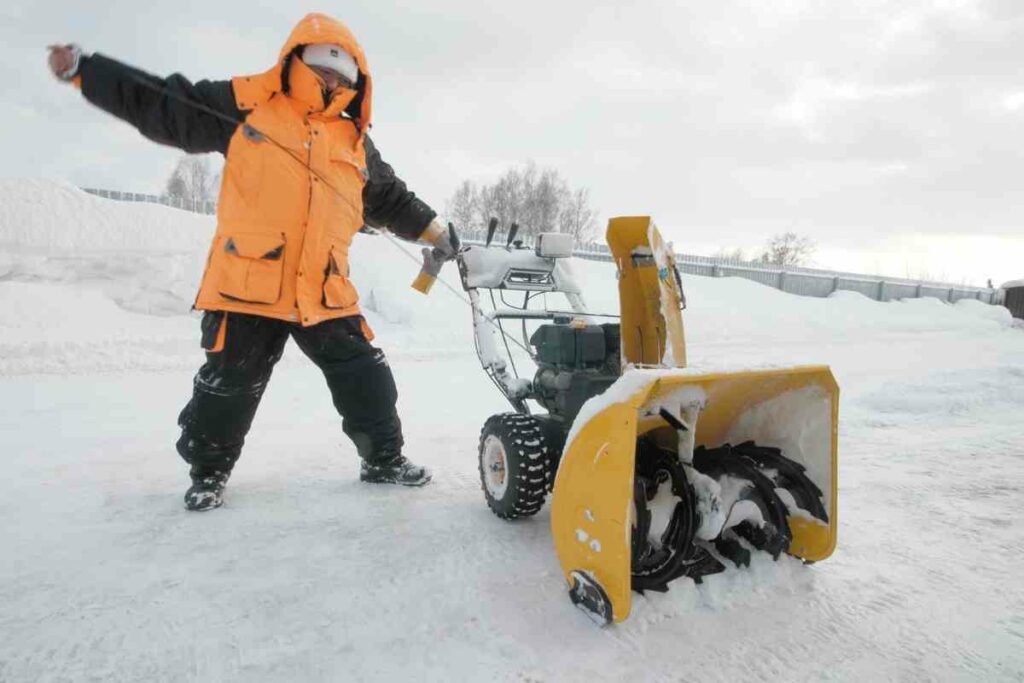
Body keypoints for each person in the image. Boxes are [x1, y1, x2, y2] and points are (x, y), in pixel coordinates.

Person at [47, 13, 458, 511]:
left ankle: (383, 461)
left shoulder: (354, 141)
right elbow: (163, 103)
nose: (331, 83)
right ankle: (207, 474)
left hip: (324, 290)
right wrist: (87, 71)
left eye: (342, 78)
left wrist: (436, 231)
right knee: (228, 390)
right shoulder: (248, 106)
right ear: (297, 62)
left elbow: (390, 198)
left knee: (367, 378)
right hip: (248, 284)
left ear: (356, 83)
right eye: (321, 71)